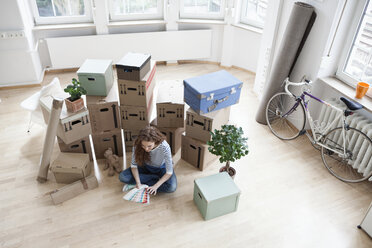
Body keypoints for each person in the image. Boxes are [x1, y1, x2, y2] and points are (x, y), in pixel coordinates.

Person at [119, 126, 177, 195]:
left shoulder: (164, 146)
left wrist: (155, 186)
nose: (146, 149)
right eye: (143, 146)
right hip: (145, 167)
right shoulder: (137, 144)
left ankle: (150, 181)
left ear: (155, 141)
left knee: (171, 187)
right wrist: (138, 183)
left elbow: (169, 172)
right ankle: (154, 177)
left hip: (162, 168)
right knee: (123, 177)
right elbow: (134, 166)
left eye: (149, 146)